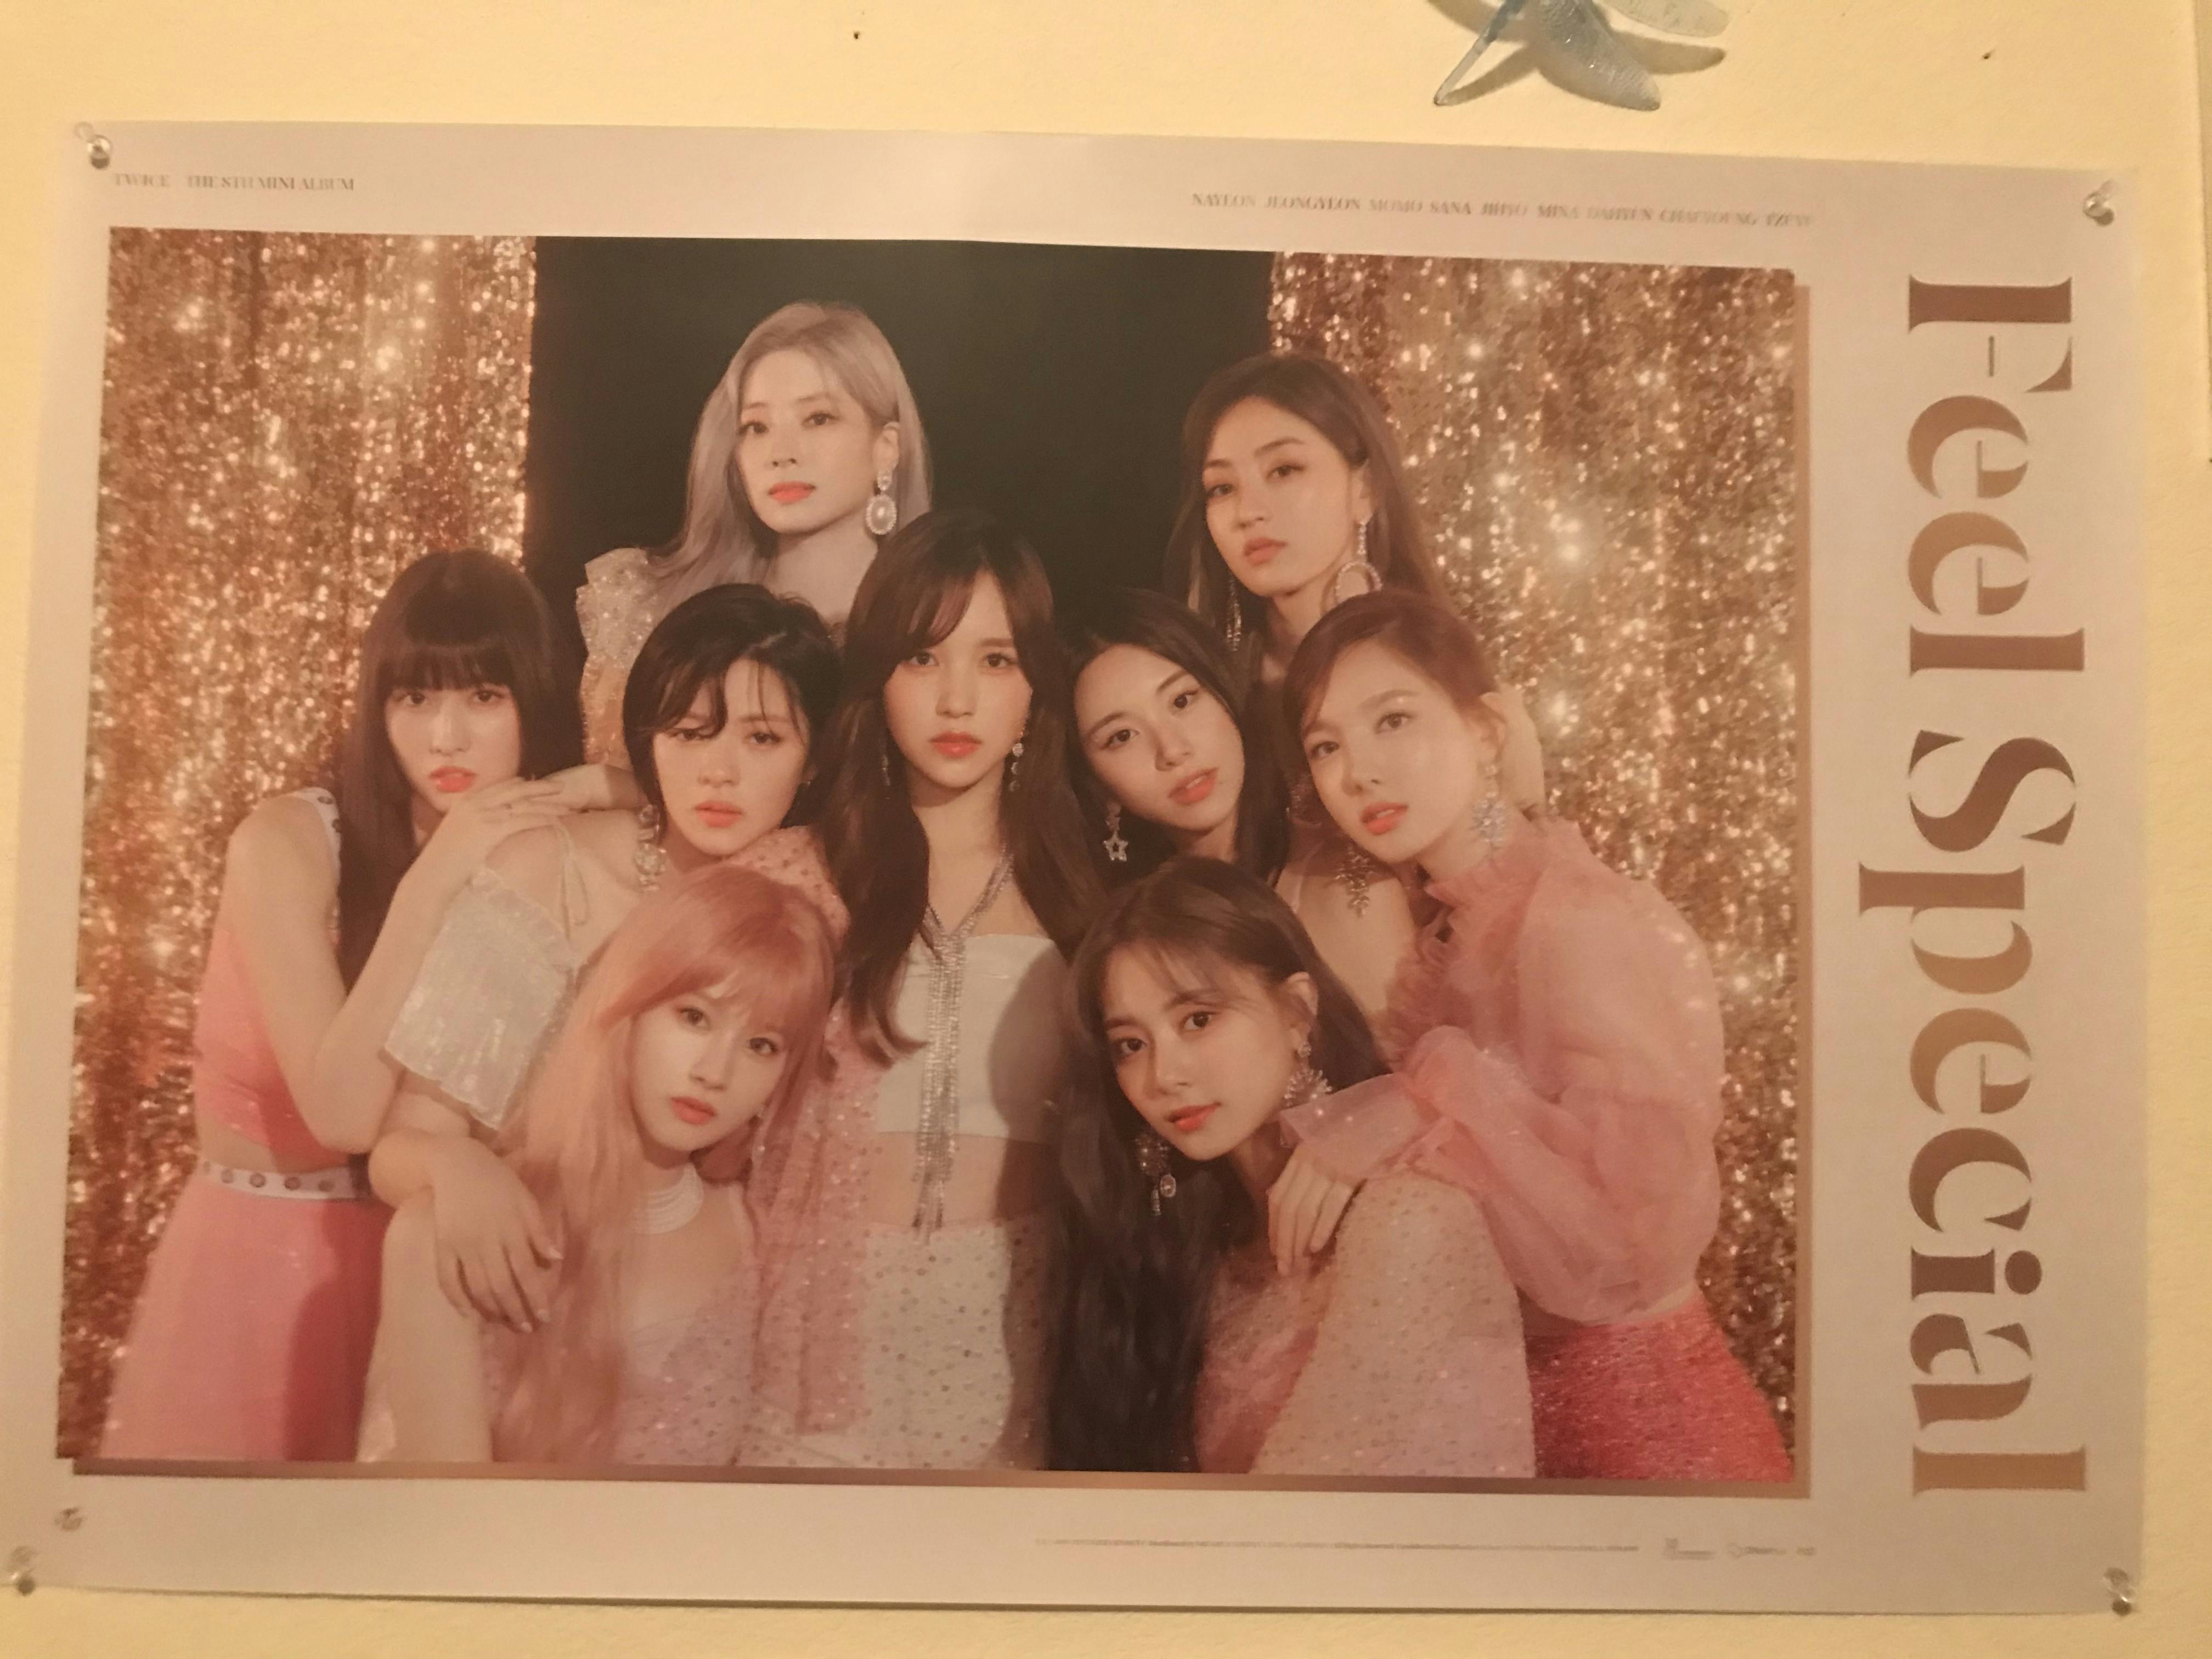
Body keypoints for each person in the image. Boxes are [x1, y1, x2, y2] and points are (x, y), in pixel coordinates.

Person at [1283, 589, 1791, 1481]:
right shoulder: (1451, 937)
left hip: (1654, 1436)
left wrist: (1415, 1102)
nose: (1358, 771)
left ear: (1484, 731)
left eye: (1393, 720)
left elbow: (1634, 1234)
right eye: (1326, 746)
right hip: (1521, 1433)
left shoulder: (1575, 918)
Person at [101, 549, 583, 1460]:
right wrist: (434, 877)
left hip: (433, 1264)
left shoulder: (538, 850)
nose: (446, 737)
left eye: (484, 697)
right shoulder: (286, 842)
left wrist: (591, 787)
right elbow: (344, 1113)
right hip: (260, 1270)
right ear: (376, 707)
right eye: (415, 698)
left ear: (535, 700)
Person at [365, 584, 839, 1335]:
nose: (719, 772)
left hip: (700, 1304)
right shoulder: (543, 876)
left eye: (762, 740)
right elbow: (399, 1145)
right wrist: (459, 1169)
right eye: (690, 733)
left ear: (812, 761)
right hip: (525, 1286)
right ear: (648, 740)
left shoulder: (808, 911)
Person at [741, 507, 1102, 1470]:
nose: (956, 700)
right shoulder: (793, 876)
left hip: (1014, 1326)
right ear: (878, 677)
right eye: (922, 657)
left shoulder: (1087, 904)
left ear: (1035, 686)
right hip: (818, 1320)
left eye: (994, 660)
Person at [1051, 857, 1533, 1477]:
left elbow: (1299, 1516)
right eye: (1131, 1045)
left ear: (1297, 1013)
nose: (1163, 1075)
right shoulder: (1210, 1246)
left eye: (1198, 1020)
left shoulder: (1407, 1217)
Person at [362, 862, 836, 1465]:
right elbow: (447, 1512)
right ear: (626, 1011)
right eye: (694, 1017)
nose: (715, 1072)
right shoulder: (446, 1229)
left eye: (761, 1045)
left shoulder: (759, 1241)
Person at [577, 301, 930, 765]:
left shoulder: (931, 628)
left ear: (886, 447)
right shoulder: (648, 608)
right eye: (756, 427)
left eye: (818, 419)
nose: (781, 452)